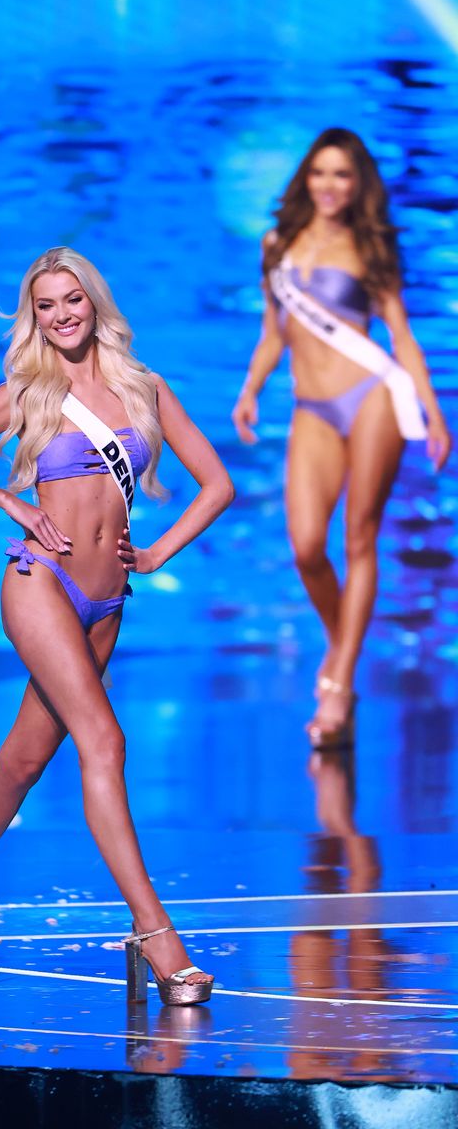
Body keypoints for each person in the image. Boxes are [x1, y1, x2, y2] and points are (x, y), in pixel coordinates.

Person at [0, 246, 234, 1005]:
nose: (62, 315)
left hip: (107, 604)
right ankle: (156, 936)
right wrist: (7, 501)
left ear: (94, 302)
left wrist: (158, 552)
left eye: (72, 299)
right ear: (34, 316)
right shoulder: (29, 389)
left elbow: (218, 485)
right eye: (46, 305)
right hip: (40, 582)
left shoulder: (145, 388)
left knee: (20, 764)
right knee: (105, 742)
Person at [232, 128, 450, 748]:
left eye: (343, 175)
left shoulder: (371, 245)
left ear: (358, 185)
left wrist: (433, 413)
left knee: (359, 537)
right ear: (307, 177)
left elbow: (400, 335)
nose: (330, 185)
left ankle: (339, 683)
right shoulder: (277, 244)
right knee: (306, 546)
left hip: (373, 396)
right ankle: (343, 647)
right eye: (321, 172)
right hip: (312, 407)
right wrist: (250, 389)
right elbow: (273, 332)